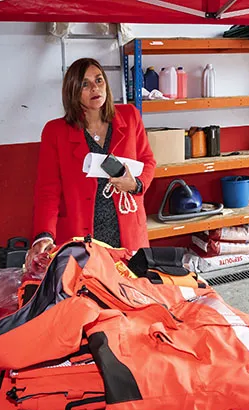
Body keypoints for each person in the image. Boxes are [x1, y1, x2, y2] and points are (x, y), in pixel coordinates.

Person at [28, 57, 156, 261]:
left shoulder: (130, 116)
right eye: (84, 85)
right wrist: (44, 234)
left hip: (128, 233)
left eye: (99, 80)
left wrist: (136, 185)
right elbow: (47, 190)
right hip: (80, 236)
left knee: (131, 280)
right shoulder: (55, 132)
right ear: (72, 91)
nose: (95, 88)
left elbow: (148, 160)